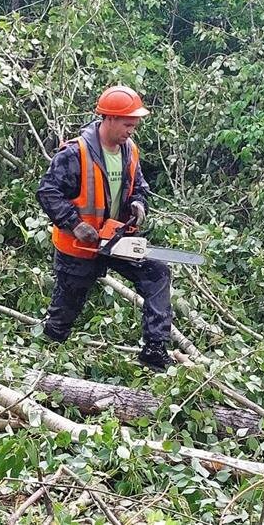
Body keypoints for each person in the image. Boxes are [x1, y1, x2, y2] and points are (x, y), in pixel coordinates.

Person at [36, 85, 173, 372]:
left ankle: (155, 349)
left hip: (116, 239)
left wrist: (138, 204)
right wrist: (74, 224)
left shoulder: (130, 151)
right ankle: (44, 364)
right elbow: (48, 192)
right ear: (109, 118)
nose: (131, 130)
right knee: (64, 315)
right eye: (127, 124)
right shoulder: (75, 153)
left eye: (134, 125)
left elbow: (139, 188)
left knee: (158, 271)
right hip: (79, 246)